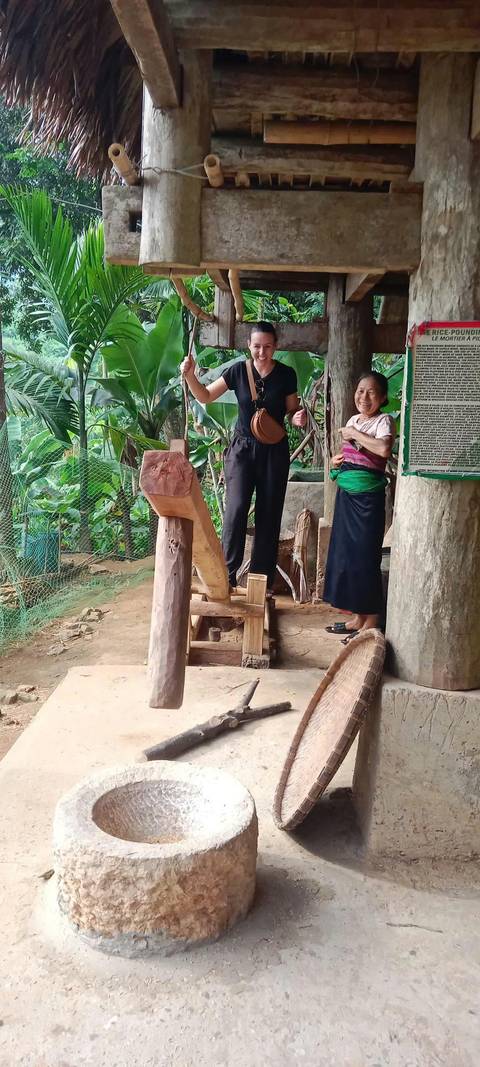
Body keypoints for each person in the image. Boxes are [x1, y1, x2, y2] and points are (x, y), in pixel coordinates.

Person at [181, 321, 307, 590]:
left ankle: (261, 582)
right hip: (241, 449)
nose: (262, 352)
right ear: (249, 345)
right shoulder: (238, 370)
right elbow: (205, 395)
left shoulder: (286, 374)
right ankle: (226, 577)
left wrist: (297, 418)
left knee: (269, 513)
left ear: (275, 347)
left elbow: (291, 410)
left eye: (268, 347)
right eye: (257, 346)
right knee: (236, 510)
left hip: (274, 450)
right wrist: (190, 375)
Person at [323, 371, 395, 641]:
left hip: (368, 501)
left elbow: (383, 450)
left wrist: (353, 433)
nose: (364, 397)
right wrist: (335, 463)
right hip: (347, 497)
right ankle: (357, 617)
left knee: (365, 557)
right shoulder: (354, 418)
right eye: (360, 391)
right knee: (347, 556)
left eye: (372, 392)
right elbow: (352, 454)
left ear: (383, 397)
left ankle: (372, 620)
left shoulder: (384, 421)